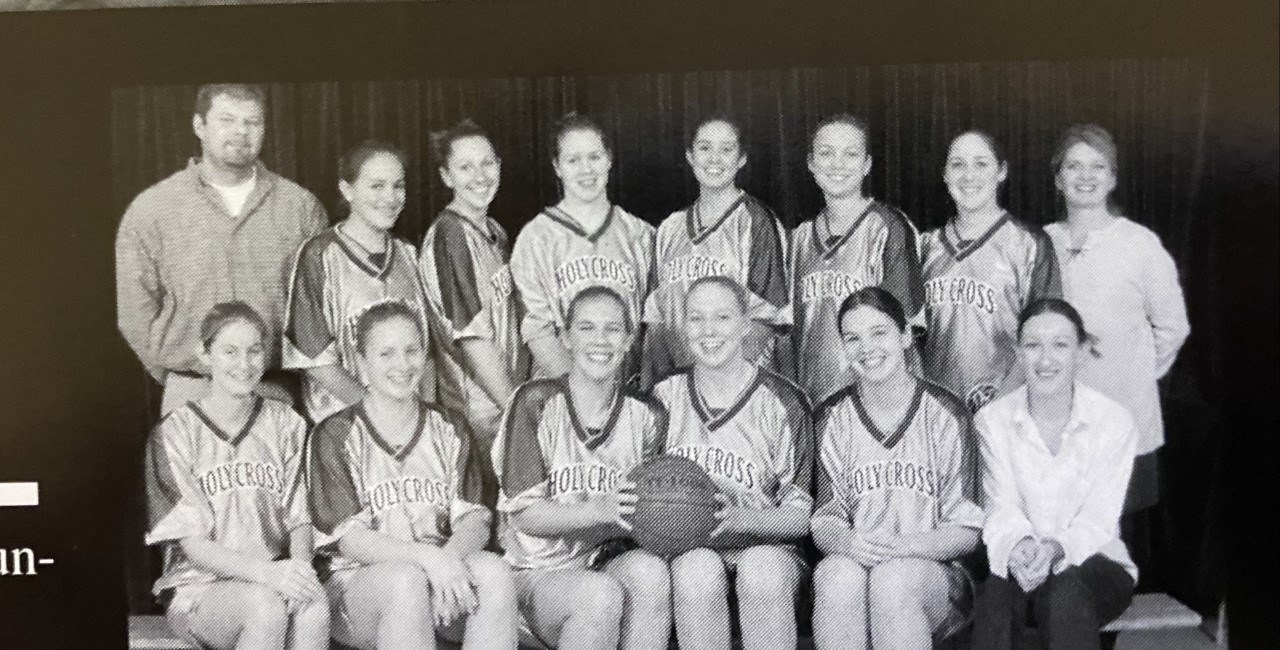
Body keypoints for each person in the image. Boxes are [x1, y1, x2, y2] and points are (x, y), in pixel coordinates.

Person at [308, 301, 518, 650]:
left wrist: (446, 562)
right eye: (386, 354)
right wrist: (430, 561)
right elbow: (350, 540)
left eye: (411, 351)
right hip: (359, 586)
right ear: (361, 363)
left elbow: (475, 521)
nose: (402, 365)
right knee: (406, 582)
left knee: (493, 572)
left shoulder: (449, 425)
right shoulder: (334, 434)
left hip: (440, 573)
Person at [117, 83, 327, 416]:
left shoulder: (299, 207)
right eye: (227, 120)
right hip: (190, 391)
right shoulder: (152, 209)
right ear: (199, 126)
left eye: (252, 122)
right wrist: (181, 375)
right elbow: (134, 313)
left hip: (276, 392)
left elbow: (319, 308)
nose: (241, 132)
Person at [494, 286, 671, 650]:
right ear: (566, 337)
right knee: (598, 594)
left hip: (602, 561)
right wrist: (597, 510)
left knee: (652, 573)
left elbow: (646, 516)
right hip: (535, 573)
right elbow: (524, 517)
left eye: (612, 329)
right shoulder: (535, 401)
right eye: (587, 328)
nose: (600, 340)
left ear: (628, 340)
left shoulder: (648, 414)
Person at [144, 302, 328, 650]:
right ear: (204, 354)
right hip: (200, 589)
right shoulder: (175, 432)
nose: (244, 365)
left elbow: (300, 519)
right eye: (230, 351)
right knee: (264, 607)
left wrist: (300, 571)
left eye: (254, 351)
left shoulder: (287, 422)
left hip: (275, 576)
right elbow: (193, 546)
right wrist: (270, 575)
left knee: (313, 606)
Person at [810, 287, 983, 650]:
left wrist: (903, 546)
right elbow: (825, 520)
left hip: (937, 575)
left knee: (893, 579)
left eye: (879, 332)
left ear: (905, 335)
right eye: (852, 338)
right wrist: (846, 541)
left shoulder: (947, 414)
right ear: (842, 348)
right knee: (833, 574)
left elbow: (966, 531)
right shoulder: (831, 417)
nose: (866, 348)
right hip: (860, 565)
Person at [652, 276, 813, 650]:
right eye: (696, 318)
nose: (708, 331)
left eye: (722, 317)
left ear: (745, 324)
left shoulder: (784, 400)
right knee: (696, 568)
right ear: (683, 325)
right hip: (689, 551)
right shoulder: (663, 396)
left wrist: (741, 519)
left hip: (770, 551)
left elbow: (801, 517)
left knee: (761, 569)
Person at [973, 298, 1138, 650]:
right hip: (1019, 562)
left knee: (1064, 594)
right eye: (1033, 346)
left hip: (1095, 563)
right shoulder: (992, 420)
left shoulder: (1114, 421)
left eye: (1060, 345)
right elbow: (999, 504)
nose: (1045, 360)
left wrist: (1054, 550)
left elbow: (1098, 518)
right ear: (1018, 353)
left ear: (1081, 352)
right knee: (995, 599)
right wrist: (1019, 546)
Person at [1042, 123, 1190, 516]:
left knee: (1108, 544)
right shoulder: (1041, 243)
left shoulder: (1138, 244)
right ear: (1058, 179)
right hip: (1053, 422)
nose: (1085, 176)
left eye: (1098, 166)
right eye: (1074, 166)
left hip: (1121, 421)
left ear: (1112, 179)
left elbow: (1173, 327)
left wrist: (1131, 373)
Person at [283, 140, 438, 424]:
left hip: (407, 425)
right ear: (347, 189)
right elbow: (315, 360)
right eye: (377, 186)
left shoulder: (409, 255)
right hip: (343, 424)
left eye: (398, 186)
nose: (390, 197)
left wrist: (423, 418)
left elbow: (426, 355)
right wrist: (379, 413)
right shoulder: (319, 255)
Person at [419, 119, 529, 505]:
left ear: (499, 165)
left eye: (486, 164)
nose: (479, 176)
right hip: (479, 412)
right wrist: (519, 410)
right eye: (465, 168)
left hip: (505, 402)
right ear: (446, 176)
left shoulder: (494, 230)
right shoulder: (451, 235)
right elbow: (472, 338)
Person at [920, 129, 1061, 414]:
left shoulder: (1028, 245)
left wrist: (998, 408)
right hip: (935, 415)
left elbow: (1046, 339)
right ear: (945, 174)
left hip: (1008, 410)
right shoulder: (925, 246)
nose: (968, 175)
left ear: (1001, 172)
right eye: (958, 164)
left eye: (981, 164)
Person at [643, 116, 789, 387]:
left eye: (726, 149)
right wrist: (666, 391)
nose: (715, 158)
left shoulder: (756, 221)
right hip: (679, 392)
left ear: (741, 158)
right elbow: (656, 325)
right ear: (690, 156)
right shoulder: (668, 229)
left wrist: (717, 386)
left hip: (738, 390)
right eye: (705, 148)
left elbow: (767, 322)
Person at [509, 112, 655, 380]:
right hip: (560, 395)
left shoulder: (641, 235)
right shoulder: (535, 238)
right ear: (557, 166)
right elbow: (537, 331)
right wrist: (582, 393)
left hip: (626, 396)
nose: (586, 170)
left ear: (609, 159)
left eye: (594, 157)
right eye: (573, 160)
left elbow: (653, 328)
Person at [791, 114, 923, 405]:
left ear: (867, 165)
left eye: (850, 154)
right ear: (811, 163)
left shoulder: (888, 227)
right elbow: (788, 334)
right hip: (812, 402)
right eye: (826, 153)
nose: (837, 163)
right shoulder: (799, 238)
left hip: (874, 402)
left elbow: (904, 333)